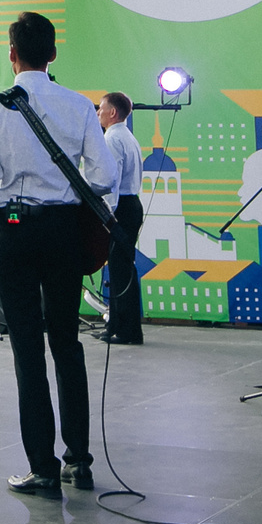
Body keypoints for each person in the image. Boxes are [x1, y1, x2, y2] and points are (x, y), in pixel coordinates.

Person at [0, 12, 112, 497]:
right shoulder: (79, 106)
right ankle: (79, 461)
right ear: (53, 54)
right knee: (67, 342)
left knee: (27, 348)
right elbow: (102, 178)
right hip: (64, 229)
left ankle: (42, 467)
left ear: (12, 53)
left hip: (16, 231)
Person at [96, 92, 145, 345]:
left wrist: (108, 216)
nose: (98, 113)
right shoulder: (127, 136)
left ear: (112, 112)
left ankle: (126, 330)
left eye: (101, 108)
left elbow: (111, 180)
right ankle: (116, 325)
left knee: (120, 270)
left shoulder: (113, 138)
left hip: (121, 207)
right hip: (131, 204)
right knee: (120, 268)